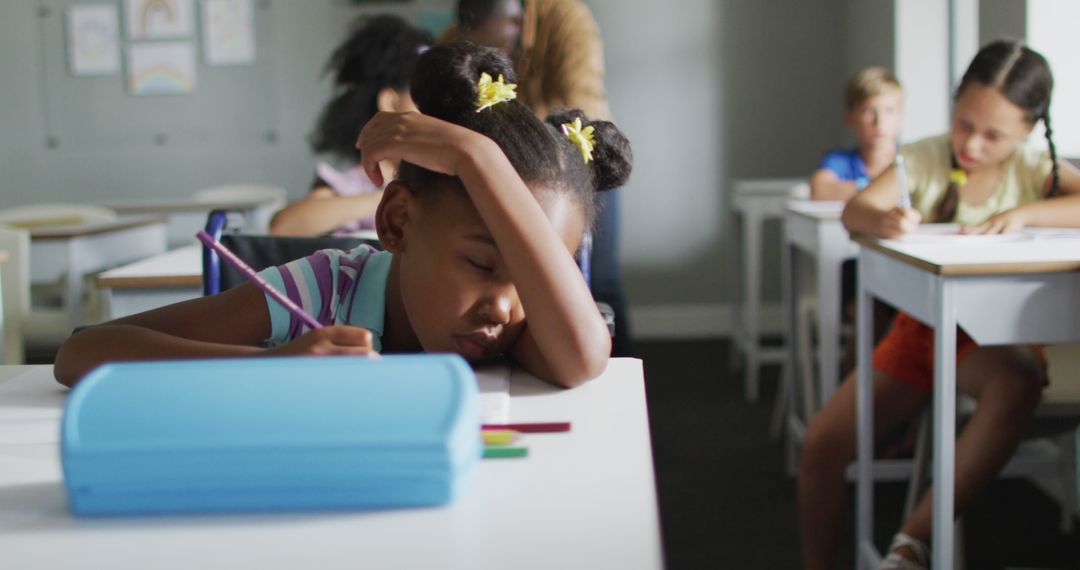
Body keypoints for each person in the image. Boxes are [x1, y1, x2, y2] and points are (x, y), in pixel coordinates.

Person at [54, 42, 633, 390]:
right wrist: (276, 366)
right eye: (483, 263)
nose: (505, 306)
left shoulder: (524, 323)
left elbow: (583, 358)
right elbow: (81, 355)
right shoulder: (326, 290)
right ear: (399, 223)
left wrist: (476, 157)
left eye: (532, 268)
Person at [799, 40, 1080, 570]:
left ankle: (910, 545)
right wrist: (884, 221)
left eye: (993, 134)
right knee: (820, 447)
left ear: (1026, 130)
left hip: (988, 346)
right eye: (963, 123)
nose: (972, 143)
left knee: (1016, 380)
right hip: (921, 332)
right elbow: (857, 210)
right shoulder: (926, 158)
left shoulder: (1035, 169)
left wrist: (1023, 214)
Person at [452, 0, 633, 357]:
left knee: (600, 284)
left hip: (580, 163)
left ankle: (619, 370)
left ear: (517, 21)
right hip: (506, 173)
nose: (496, 61)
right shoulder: (459, 36)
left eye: (501, 48)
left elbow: (582, 110)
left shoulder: (568, 21)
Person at [269, 15, 432, 237]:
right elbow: (284, 226)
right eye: (425, 101)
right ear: (391, 103)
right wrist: (387, 200)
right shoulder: (355, 184)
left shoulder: (440, 179)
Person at [811, 67, 903, 201]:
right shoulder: (841, 161)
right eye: (869, 112)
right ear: (850, 118)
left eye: (889, 111)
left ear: (900, 116)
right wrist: (882, 188)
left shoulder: (910, 158)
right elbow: (819, 189)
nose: (879, 122)